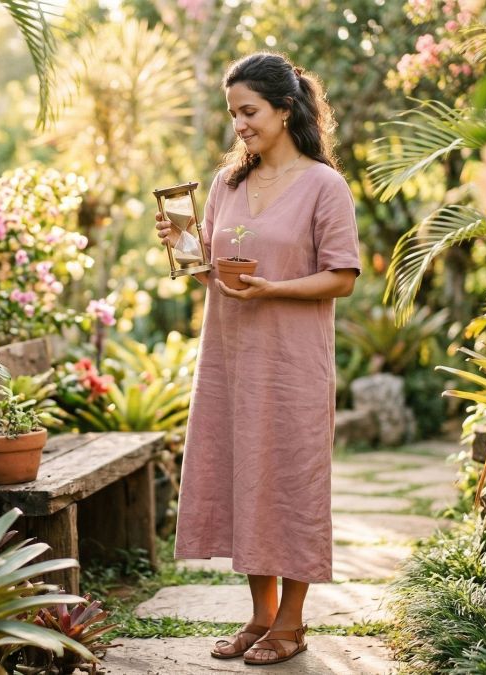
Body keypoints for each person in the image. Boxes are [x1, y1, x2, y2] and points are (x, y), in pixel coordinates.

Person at [155, 52, 361, 666]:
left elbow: (343, 277)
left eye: (249, 112)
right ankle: (261, 617)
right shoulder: (228, 184)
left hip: (292, 364)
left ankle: (292, 624)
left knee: (291, 480)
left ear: (285, 109)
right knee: (246, 478)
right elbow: (211, 273)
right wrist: (181, 245)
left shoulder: (325, 186)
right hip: (230, 361)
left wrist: (275, 289)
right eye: (233, 114)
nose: (239, 125)